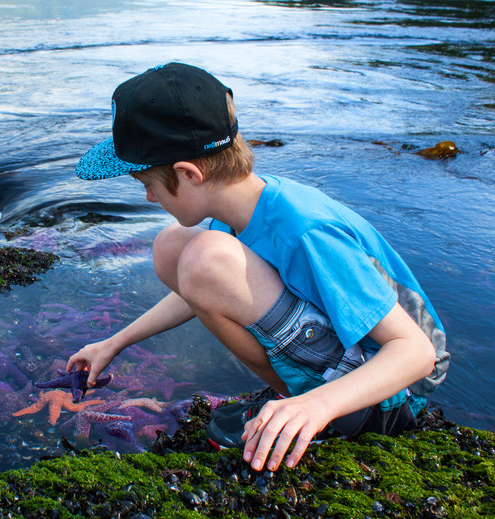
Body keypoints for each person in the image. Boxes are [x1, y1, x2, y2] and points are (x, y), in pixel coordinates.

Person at [66, 62, 449, 472]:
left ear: (188, 174)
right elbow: (202, 289)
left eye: (149, 186)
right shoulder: (240, 207)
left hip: (388, 397)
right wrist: (114, 343)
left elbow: (416, 354)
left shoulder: (304, 230)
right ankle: (293, 391)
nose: (149, 198)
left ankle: (313, 409)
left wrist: (317, 405)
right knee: (172, 247)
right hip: (349, 364)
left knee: (203, 256)